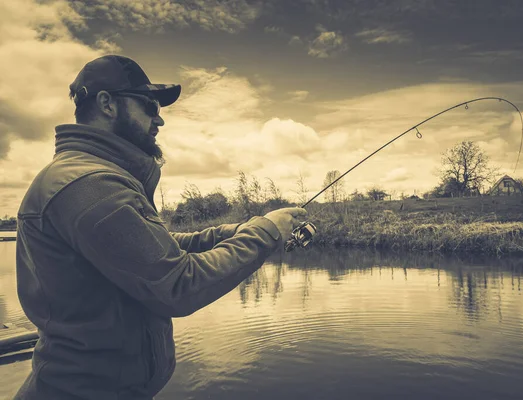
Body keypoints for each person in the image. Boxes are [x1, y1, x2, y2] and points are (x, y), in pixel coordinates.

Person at [14, 55, 307, 400]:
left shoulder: (91, 177)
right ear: (107, 103)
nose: (160, 119)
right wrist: (266, 233)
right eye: (149, 105)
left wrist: (240, 228)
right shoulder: (90, 186)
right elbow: (178, 283)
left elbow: (155, 245)